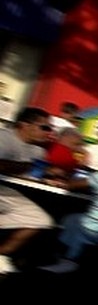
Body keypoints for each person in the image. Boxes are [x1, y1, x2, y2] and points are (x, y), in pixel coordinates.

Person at [0, 107, 58, 273]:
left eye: (51, 128)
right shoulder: (4, 137)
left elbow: (34, 175)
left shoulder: (38, 150)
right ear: (24, 125)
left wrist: (51, 179)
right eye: (45, 127)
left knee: (42, 219)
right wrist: (33, 168)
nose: (49, 132)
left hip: (11, 193)